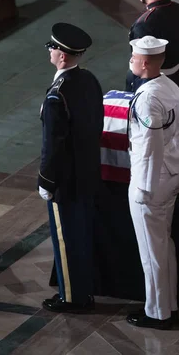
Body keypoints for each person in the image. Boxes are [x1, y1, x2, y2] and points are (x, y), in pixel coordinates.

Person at [39, 23, 104, 313]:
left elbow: (53, 145)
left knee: (66, 239)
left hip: (65, 181)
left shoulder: (57, 94)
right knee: (82, 234)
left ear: (63, 56)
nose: (50, 50)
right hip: (87, 174)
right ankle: (83, 290)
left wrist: (46, 180)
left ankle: (73, 297)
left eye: (52, 47)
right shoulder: (89, 80)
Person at [126, 36, 179, 330]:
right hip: (171, 173)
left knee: (152, 250)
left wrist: (143, 187)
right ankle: (168, 306)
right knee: (163, 244)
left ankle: (157, 312)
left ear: (146, 62)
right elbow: (178, 137)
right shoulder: (169, 85)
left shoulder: (149, 97)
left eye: (134, 56)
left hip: (152, 179)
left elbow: (151, 144)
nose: (131, 60)